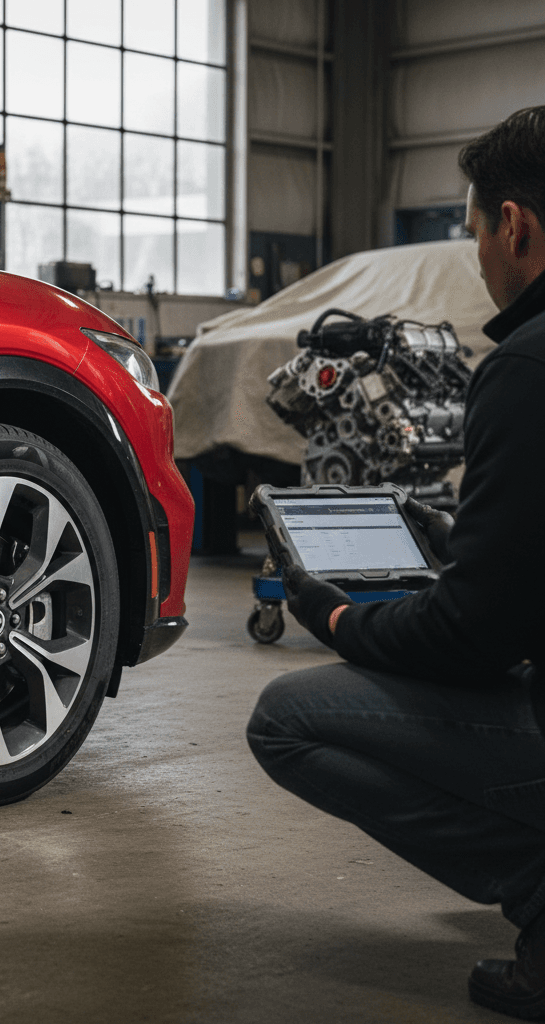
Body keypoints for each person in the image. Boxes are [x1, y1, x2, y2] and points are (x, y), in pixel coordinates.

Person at [246, 106, 545, 1021]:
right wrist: (472, 541)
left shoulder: (527, 367)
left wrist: (338, 618)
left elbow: (472, 637)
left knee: (287, 718)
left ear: (514, 225)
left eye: (473, 236)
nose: (480, 264)